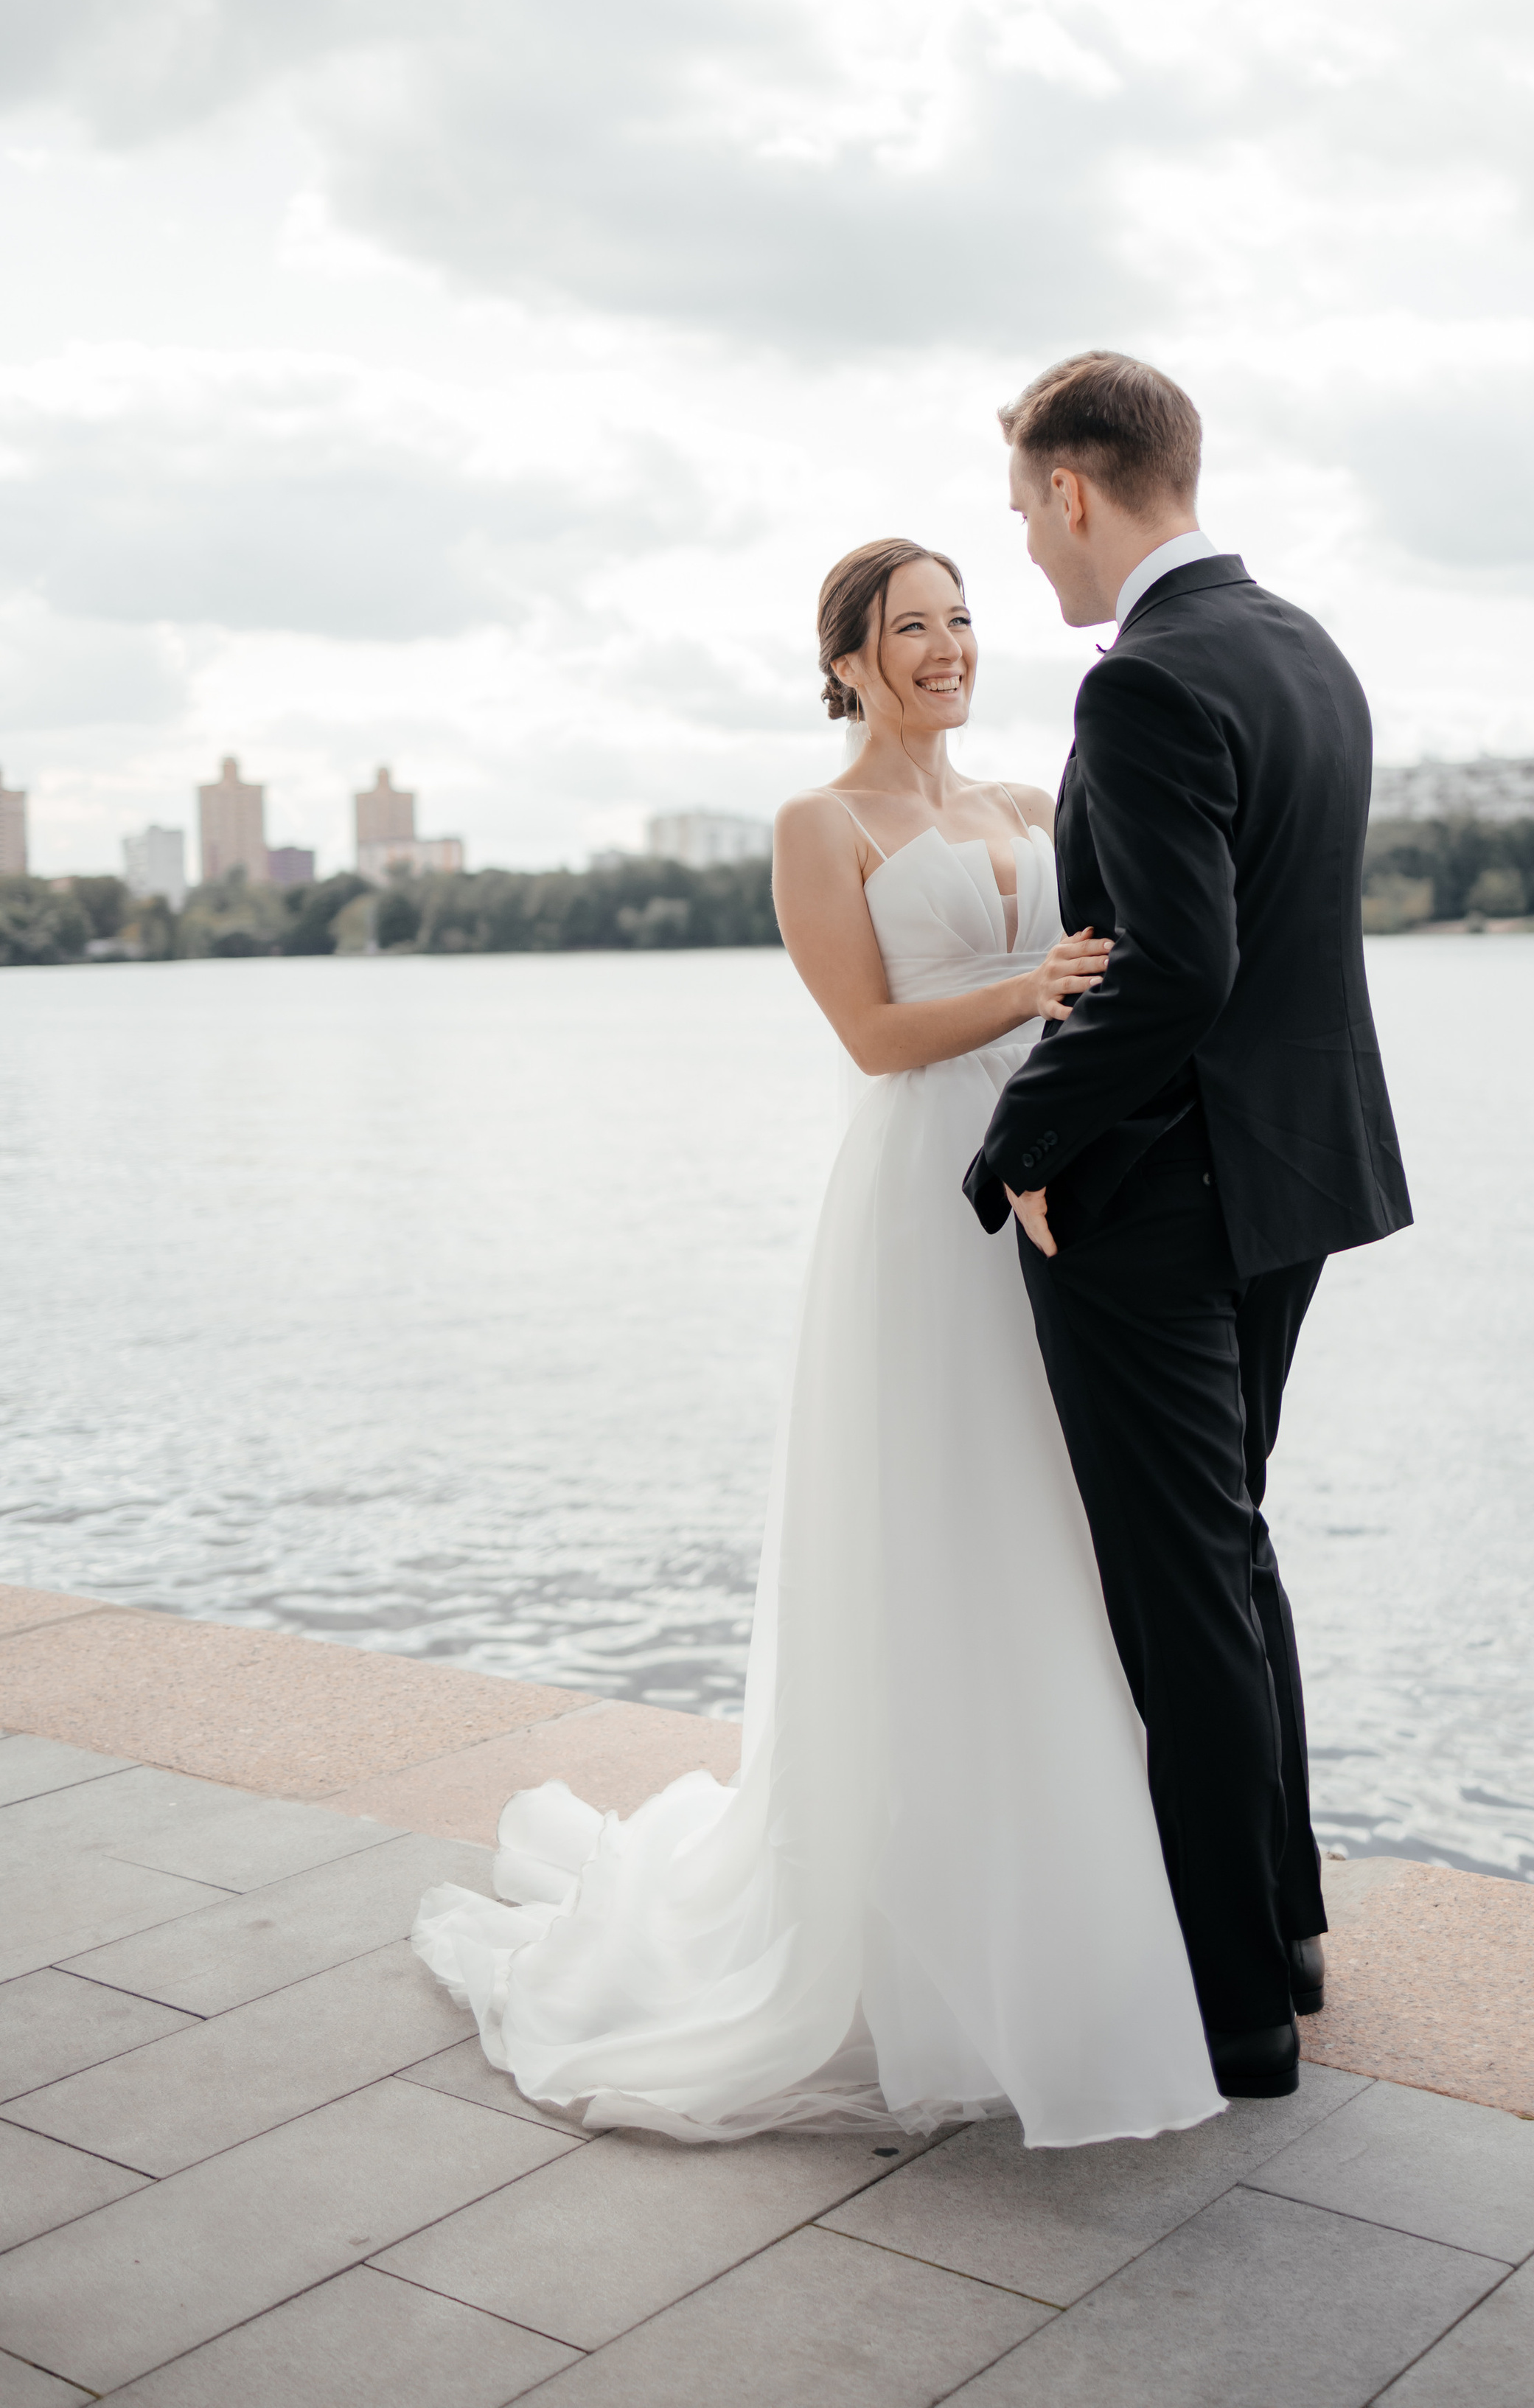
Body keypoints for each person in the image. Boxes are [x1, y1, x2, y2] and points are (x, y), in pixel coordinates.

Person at [411, 535, 1224, 2144]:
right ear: (845, 659)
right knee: (940, 1522)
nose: (947, 648)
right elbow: (866, 1034)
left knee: (1061, 1530)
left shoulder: (1026, 804)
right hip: (925, 1185)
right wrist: (1026, 995)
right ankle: (909, 1927)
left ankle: (1076, 1903)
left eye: (961, 619)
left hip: (1063, 1181)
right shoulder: (818, 823)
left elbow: (1116, 979)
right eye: (910, 628)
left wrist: (1077, 1049)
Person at [964, 351, 1412, 2099]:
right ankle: (1285, 1924)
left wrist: (1020, 1140)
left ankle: (1231, 2010)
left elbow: (1176, 966)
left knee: (1179, 1593)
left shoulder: (1140, 687)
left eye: (1019, 514)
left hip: (1156, 1194)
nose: (1025, 554)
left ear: (1074, 489)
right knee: (1230, 1550)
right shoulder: (1307, 649)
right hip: (1295, 1180)